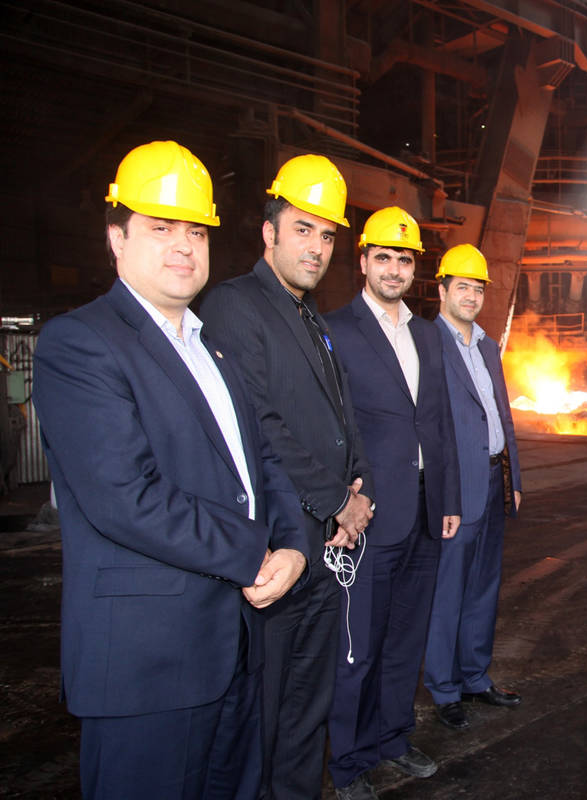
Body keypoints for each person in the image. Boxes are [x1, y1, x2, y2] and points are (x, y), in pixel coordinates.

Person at [34, 140, 307, 799]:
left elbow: (262, 462)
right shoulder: (81, 344)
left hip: (235, 649)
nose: (184, 246)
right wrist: (255, 552)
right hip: (148, 665)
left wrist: (297, 543)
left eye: (196, 231)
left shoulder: (212, 347)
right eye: (160, 228)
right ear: (116, 239)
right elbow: (125, 497)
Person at [198, 154, 375, 800]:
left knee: (307, 711)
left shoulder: (310, 317)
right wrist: (334, 502)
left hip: (325, 548)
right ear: (268, 232)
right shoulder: (235, 306)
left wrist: (358, 488)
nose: (317, 247)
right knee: (264, 717)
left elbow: (342, 416)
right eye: (303, 229)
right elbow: (259, 423)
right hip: (276, 550)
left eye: (327, 235)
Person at [323, 207, 462, 800]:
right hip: (370, 514)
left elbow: (439, 420)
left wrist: (448, 496)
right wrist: (341, 502)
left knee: (406, 637)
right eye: (383, 256)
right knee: (359, 645)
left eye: (404, 259)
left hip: (425, 511)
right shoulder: (335, 329)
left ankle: (393, 739)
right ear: (363, 262)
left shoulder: (428, 333)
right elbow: (331, 425)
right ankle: (349, 761)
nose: (394, 268)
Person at [424, 244, 524, 729]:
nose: (470, 296)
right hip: (455, 487)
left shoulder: (486, 344)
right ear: (442, 290)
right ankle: (444, 689)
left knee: (484, 587)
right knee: (448, 591)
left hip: (492, 478)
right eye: (461, 286)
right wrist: (442, 494)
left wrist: (513, 477)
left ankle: (474, 677)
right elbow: (428, 426)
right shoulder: (427, 342)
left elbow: (501, 413)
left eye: (477, 288)